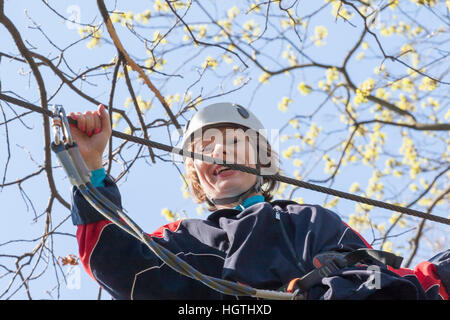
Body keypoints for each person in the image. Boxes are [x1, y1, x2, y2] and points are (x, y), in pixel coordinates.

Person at [68, 102, 449, 300]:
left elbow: (382, 282)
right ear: (196, 175)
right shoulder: (184, 239)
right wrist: (89, 169)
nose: (220, 152)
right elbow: (115, 260)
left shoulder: (309, 221)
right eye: (205, 149)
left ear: (262, 160)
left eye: (234, 141)